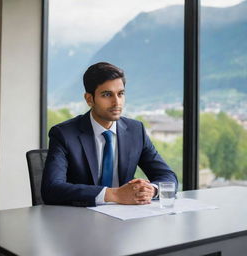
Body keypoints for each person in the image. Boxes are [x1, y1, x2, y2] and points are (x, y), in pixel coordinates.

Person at [41, 62, 178, 207]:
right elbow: (51, 189)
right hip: (80, 220)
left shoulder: (136, 130)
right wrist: (113, 194)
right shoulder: (64, 134)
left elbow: (168, 177)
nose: (116, 102)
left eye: (121, 94)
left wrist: (152, 190)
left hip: (126, 219)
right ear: (89, 99)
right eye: (107, 95)